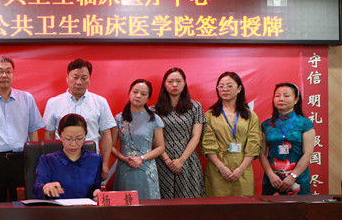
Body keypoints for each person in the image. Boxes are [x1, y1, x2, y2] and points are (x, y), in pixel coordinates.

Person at [0, 56, 44, 202]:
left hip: (22, 160)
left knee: (24, 204)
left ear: (13, 75)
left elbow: (33, 132)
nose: (4, 75)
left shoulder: (27, 98)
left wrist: (34, 162)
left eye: (8, 71)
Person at [43, 59, 116, 180]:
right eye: (75, 77)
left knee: (90, 190)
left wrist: (105, 163)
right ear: (67, 77)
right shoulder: (53, 102)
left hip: (91, 159)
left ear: (89, 79)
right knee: (61, 190)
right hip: (61, 160)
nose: (79, 82)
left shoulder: (100, 102)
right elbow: (49, 134)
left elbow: (106, 134)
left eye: (84, 78)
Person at [201, 71, 261, 197]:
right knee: (218, 206)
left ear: (239, 89)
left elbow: (254, 144)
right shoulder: (210, 115)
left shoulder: (250, 115)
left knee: (243, 205)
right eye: (221, 86)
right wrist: (222, 168)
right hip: (217, 170)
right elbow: (207, 145)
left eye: (229, 85)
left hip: (243, 170)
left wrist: (240, 169)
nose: (225, 89)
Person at [151, 68, 206, 198]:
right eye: (170, 81)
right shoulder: (153, 110)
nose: (174, 84)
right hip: (162, 161)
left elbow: (196, 136)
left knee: (189, 201)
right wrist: (167, 161)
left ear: (184, 83)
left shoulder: (195, 107)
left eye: (178, 81)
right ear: (164, 83)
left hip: (188, 160)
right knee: (163, 201)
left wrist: (181, 160)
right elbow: (153, 139)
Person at [111, 79, 165, 200]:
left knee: (148, 206)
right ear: (129, 93)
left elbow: (161, 147)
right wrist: (124, 159)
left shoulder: (154, 119)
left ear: (148, 98)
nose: (138, 96)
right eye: (135, 92)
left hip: (147, 169)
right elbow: (111, 146)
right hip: (125, 168)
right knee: (125, 204)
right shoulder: (119, 118)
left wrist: (141, 158)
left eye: (143, 94)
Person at [260, 82, 315, 195]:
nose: (281, 99)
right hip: (273, 180)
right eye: (277, 95)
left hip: (297, 179)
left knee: (298, 206)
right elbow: (261, 153)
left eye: (286, 95)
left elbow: (308, 154)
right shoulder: (266, 125)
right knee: (271, 206)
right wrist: (270, 174)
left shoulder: (305, 123)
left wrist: (293, 176)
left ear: (296, 100)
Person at [33, 113, 102, 200]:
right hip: (56, 208)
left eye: (79, 138)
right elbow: (36, 190)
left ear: (85, 136)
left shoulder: (95, 160)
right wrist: (44, 188)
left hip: (85, 208)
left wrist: (97, 193)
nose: (73, 144)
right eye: (68, 139)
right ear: (60, 136)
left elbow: (96, 188)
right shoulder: (47, 160)